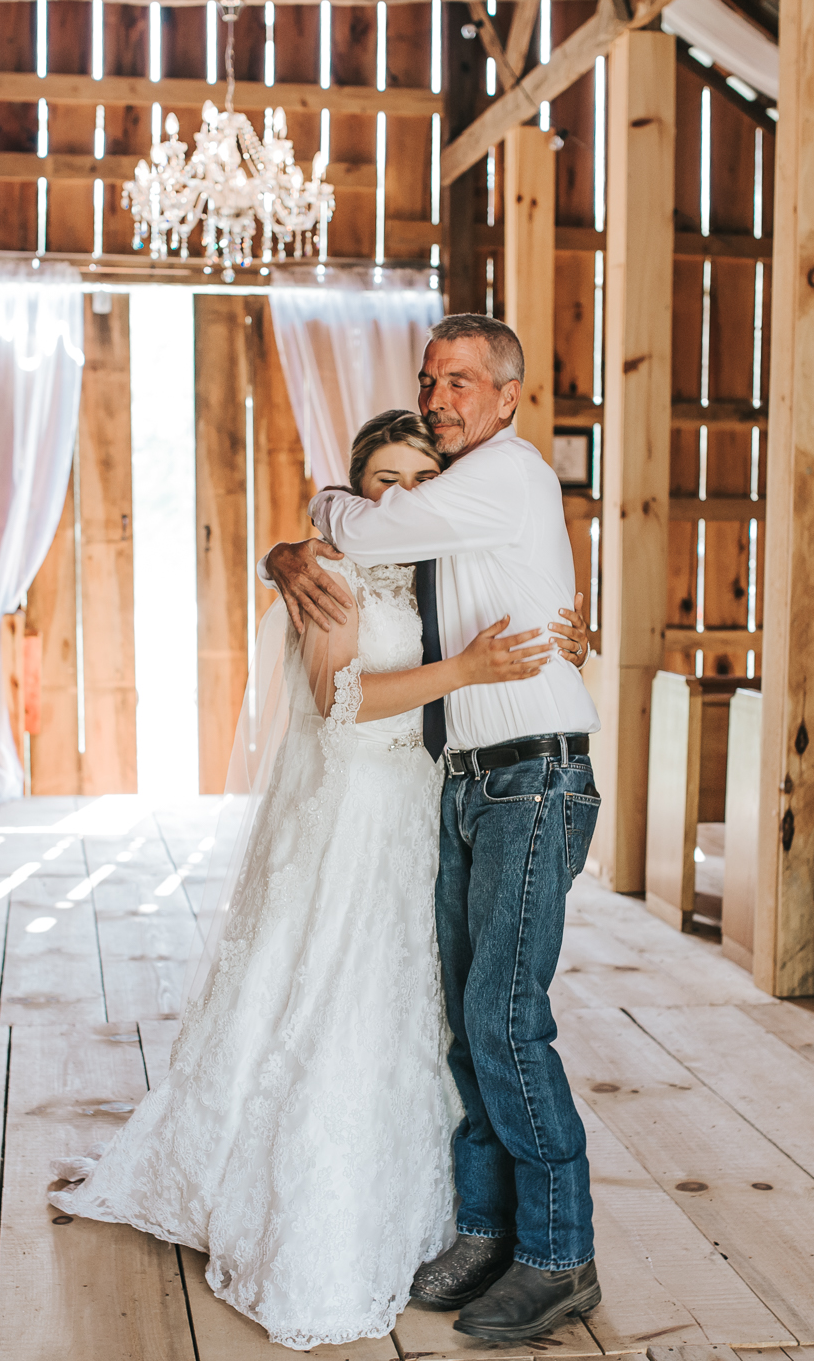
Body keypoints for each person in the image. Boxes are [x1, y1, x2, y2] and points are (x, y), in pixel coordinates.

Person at [47, 411, 560, 1351]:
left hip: (433, 808)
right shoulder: (330, 569)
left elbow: (525, 617)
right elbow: (342, 699)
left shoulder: (447, 562)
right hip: (358, 808)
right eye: (383, 482)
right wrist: (466, 665)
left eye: (420, 479)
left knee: (429, 1003)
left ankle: (467, 1217)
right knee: (333, 988)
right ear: (357, 491)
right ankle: (307, 1208)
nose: (401, 496)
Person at [261, 314, 602, 1344]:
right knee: (466, 1019)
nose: (442, 395)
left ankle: (558, 1255)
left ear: (506, 395)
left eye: (460, 382)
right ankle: (486, 1231)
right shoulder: (458, 502)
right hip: (470, 779)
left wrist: (320, 508)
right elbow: (416, 590)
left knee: (504, 1018)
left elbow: (363, 531)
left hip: (532, 778)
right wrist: (285, 555)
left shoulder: (506, 474)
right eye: (429, 379)